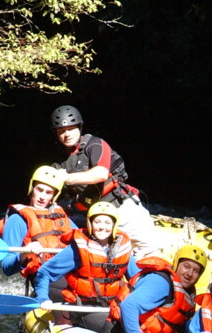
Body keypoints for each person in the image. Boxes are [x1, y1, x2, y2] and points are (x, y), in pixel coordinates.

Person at [50, 104, 157, 258]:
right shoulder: (59, 163)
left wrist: (66, 178)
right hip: (98, 221)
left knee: (148, 254)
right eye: (61, 131)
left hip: (123, 209)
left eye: (71, 129)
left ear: (79, 127)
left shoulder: (95, 144)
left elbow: (101, 174)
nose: (66, 134)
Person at [33, 202, 138, 330]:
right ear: (90, 224)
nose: (102, 227)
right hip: (84, 307)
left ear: (114, 225)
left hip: (114, 303)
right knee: (117, 328)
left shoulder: (122, 248)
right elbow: (45, 272)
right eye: (97, 222)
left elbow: (139, 279)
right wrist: (43, 298)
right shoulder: (79, 248)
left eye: (107, 223)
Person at [99, 244, 208, 333]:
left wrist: (199, 332)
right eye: (186, 266)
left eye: (196, 270)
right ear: (176, 264)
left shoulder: (187, 292)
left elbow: (177, 322)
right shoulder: (161, 283)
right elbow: (128, 305)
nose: (189, 274)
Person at [0, 165, 75, 300]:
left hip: (70, 273)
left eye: (48, 192)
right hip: (45, 278)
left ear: (54, 196)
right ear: (32, 189)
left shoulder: (61, 218)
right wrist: (25, 252)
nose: (42, 197)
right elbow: (7, 268)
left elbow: (85, 241)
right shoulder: (17, 220)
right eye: (39, 190)